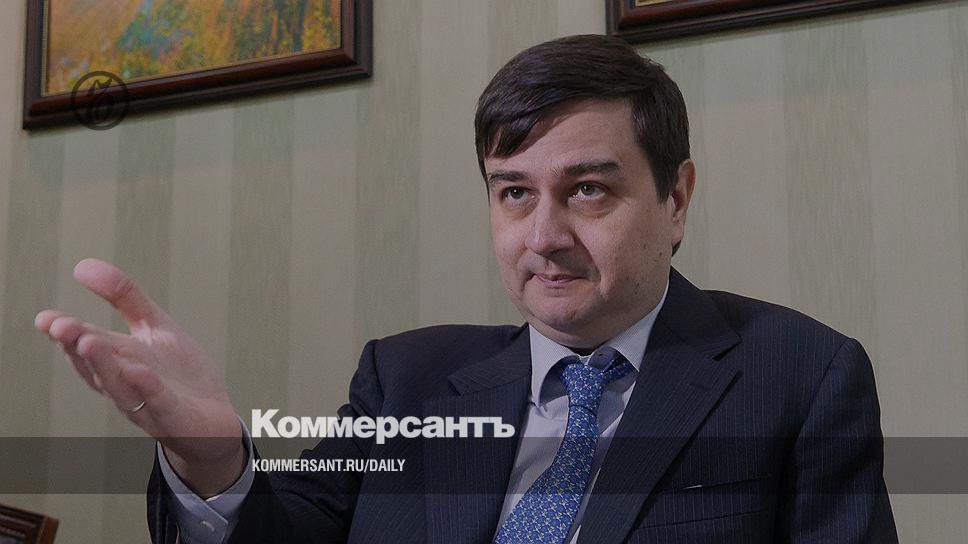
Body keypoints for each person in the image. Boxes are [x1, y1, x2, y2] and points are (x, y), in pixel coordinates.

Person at [35, 34, 897, 543]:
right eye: (513, 192)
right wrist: (211, 457)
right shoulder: (405, 380)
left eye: (587, 189)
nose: (544, 235)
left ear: (676, 198)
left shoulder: (799, 377)